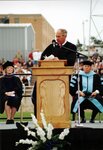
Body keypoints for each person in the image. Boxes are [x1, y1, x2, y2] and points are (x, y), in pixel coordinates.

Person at [32, 28, 77, 116]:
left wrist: (59, 60)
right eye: (56, 36)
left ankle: (60, 117)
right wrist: (48, 59)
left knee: (59, 98)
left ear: (64, 36)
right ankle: (41, 116)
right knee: (39, 95)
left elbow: (71, 61)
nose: (56, 38)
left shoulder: (71, 47)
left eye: (58, 36)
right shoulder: (52, 46)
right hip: (47, 77)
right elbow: (42, 56)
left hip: (62, 77)